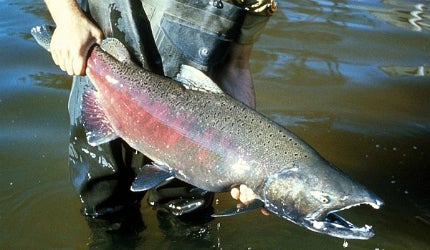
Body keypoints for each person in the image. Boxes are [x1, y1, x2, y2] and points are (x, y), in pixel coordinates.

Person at [43, 0, 274, 244]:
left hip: (192, 133)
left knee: (188, 224)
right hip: (107, 88)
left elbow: (236, 65)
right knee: (106, 215)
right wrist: (67, 16)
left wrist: (249, 155)